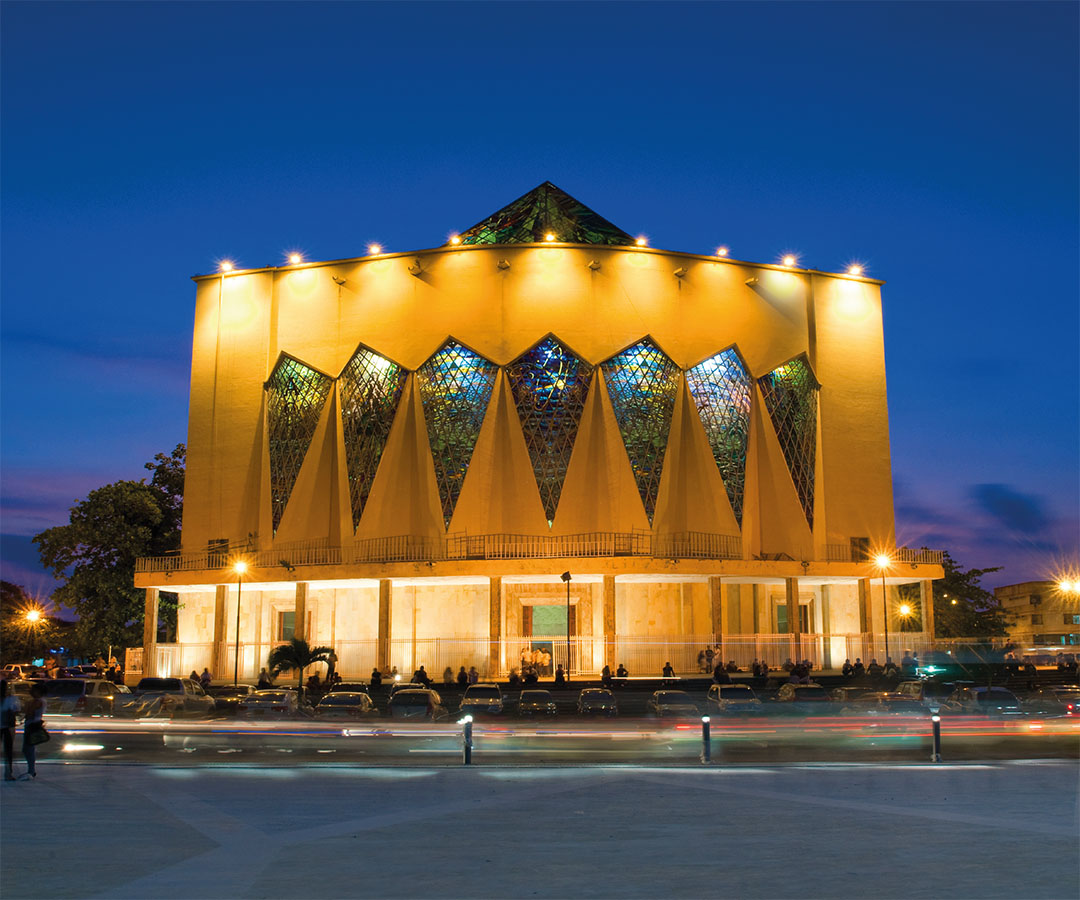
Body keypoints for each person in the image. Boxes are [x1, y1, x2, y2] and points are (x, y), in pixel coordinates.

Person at [21, 683, 45, 780]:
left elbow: (29, 711)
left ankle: (31, 770)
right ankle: (31, 769)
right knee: (27, 749)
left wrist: (27, 705)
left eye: (33, 690)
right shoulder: (35, 701)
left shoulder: (39, 701)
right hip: (30, 725)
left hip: (33, 726)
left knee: (28, 749)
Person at [2, 680, 19, 781]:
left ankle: (8, 773)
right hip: (7, 727)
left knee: (8, 751)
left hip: (6, 726)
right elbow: (15, 710)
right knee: (8, 751)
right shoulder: (10, 699)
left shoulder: (9, 699)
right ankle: (8, 773)